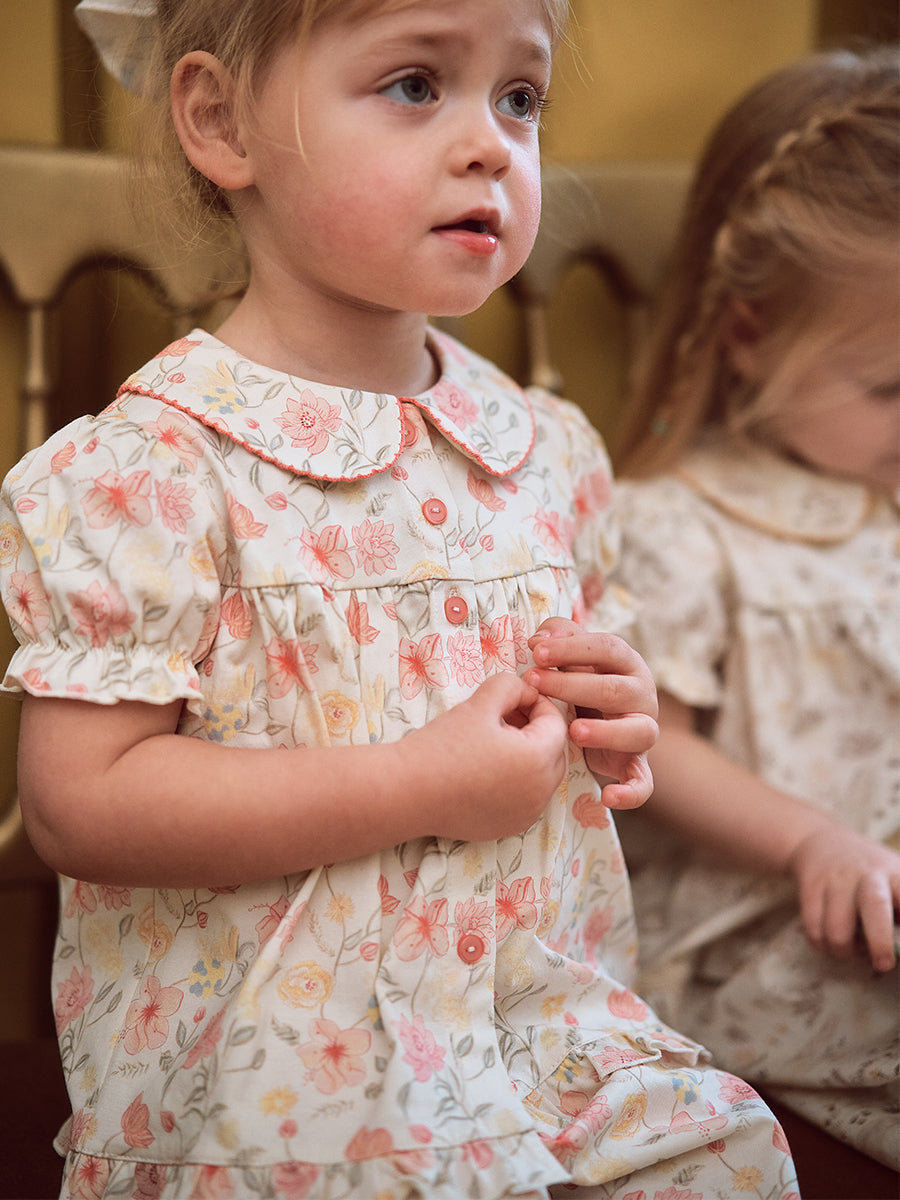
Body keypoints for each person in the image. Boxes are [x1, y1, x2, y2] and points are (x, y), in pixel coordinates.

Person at [0, 2, 798, 1197]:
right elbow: (81, 806)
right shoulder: (157, 474)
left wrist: (613, 715)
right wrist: (419, 782)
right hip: (294, 1062)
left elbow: (577, 732)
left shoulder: (544, 452)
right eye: (417, 84)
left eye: (520, 98)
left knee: (730, 1158)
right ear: (221, 122)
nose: (490, 146)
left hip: (540, 1034)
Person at [608, 46, 900, 1170]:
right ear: (747, 333)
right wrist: (812, 841)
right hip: (778, 918)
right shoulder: (682, 525)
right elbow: (656, 744)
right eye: (890, 387)